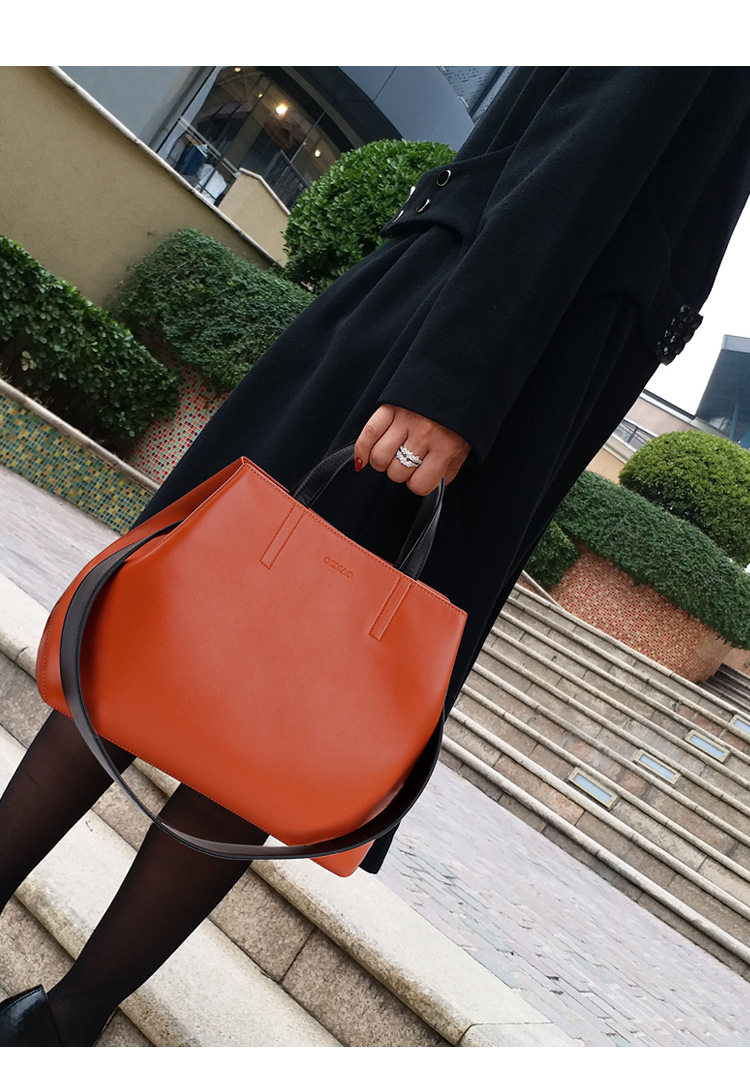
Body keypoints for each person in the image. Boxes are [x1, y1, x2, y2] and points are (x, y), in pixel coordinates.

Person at [2, 66, 750, 1047]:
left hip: (514, 354)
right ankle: (62, 1021)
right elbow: (589, 145)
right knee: (171, 630)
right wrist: (452, 384)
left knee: (286, 716)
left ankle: (62, 1024)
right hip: (474, 343)